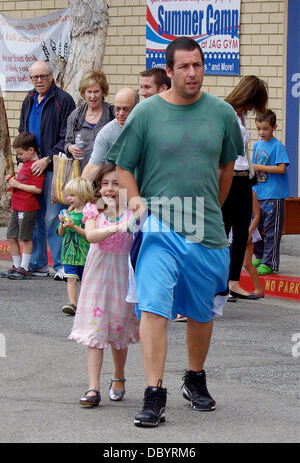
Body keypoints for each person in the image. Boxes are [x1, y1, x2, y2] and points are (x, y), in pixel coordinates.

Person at [106, 36, 244, 427]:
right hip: (158, 226)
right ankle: (154, 392)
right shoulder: (146, 113)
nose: (192, 73)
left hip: (205, 228)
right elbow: (125, 166)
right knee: (153, 307)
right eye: (183, 67)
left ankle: (194, 378)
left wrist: (209, 210)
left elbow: (226, 168)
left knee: (201, 311)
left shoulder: (221, 113)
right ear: (168, 71)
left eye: (197, 65)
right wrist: (137, 205)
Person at [69, 163, 139, 407]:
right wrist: (118, 226)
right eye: (105, 183)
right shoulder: (93, 209)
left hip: (122, 275)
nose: (110, 189)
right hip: (97, 275)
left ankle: (118, 378)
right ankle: (92, 388)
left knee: (118, 330)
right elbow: (91, 236)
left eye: (116, 183)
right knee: (95, 331)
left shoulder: (134, 211)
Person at [19, 60, 75, 280]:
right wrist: (24, 159)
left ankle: (60, 265)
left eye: (43, 76)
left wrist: (46, 160)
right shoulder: (29, 99)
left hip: (52, 167)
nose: (39, 81)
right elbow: (22, 131)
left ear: (52, 76)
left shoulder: (63, 100)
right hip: (30, 168)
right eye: (35, 77)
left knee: (53, 217)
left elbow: (66, 137)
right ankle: (38, 264)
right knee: (34, 215)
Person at [222, 75, 268, 301]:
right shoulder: (226, 111)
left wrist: (251, 178)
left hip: (242, 178)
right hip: (229, 177)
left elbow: (245, 151)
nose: (252, 108)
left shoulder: (240, 116)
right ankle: (219, 282)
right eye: (253, 102)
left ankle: (233, 281)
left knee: (241, 232)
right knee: (223, 230)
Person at [0, 133, 45, 280]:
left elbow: (37, 189)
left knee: (25, 238)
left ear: (31, 150)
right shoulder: (24, 165)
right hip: (16, 206)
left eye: (20, 153)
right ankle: (16, 265)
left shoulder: (35, 166)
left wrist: (19, 184)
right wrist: (13, 184)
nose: (19, 157)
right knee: (11, 236)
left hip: (27, 207)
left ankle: (25, 267)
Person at [252, 109, 289, 275]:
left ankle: (269, 262)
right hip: (258, 194)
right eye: (259, 129)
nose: (262, 132)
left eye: (265, 129)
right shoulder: (257, 144)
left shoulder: (277, 146)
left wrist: (258, 167)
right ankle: (259, 256)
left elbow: (281, 168)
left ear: (274, 127)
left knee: (271, 230)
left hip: (274, 195)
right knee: (257, 229)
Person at [81, 88, 139, 182]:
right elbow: (94, 166)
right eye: (117, 109)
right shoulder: (106, 133)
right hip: (122, 187)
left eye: (125, 109)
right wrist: (80, 192)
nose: (121, 113)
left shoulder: (146, 125)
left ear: (136, 107)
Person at [64, 70, 114, 172]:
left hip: (107, 174)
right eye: (89, 92)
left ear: (103, 92)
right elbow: (67, 142)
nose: (92, 96)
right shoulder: (75, 116)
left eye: (96, 91)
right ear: (83, 93)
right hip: (82, 173)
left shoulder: (112, 114)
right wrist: (70, 148)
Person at [57, 178, 94, 316]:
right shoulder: (67, 213)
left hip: (85, 254)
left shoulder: (88, 214)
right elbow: (61, 234)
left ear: (84, 195)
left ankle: (86, 304)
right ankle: (72, 303)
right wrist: (62, 223)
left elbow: (89, 234)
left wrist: (74, 226)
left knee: (85, 281)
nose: (69, 198)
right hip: (69, 253)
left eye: (73, 195)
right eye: (68, 195)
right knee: (71, 279)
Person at [229, 190, 265, 299]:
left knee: (247, 263)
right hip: (233, 229)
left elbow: (257, 215)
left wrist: (249, 232)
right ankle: (230, 287)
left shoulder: (251, 194)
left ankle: (259, 288)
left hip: (247, 229)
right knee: (230, 260)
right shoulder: (230, 191)